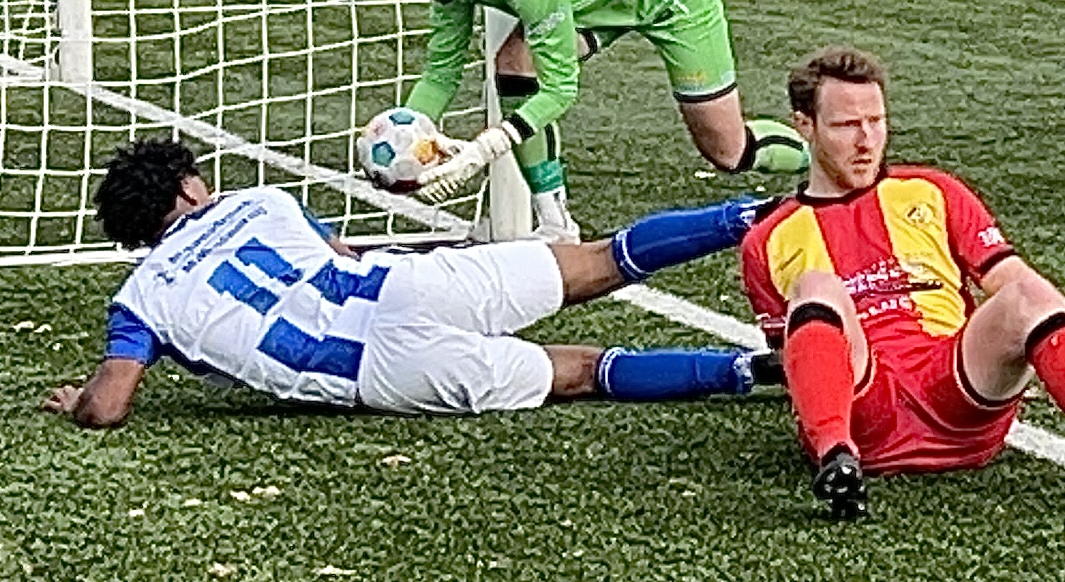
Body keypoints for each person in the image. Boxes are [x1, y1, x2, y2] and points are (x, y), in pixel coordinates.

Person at [739, 46, 1065, 519]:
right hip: (866, 411)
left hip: (955, 395)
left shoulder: (933, 191)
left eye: (876, 121)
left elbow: (1013, 279)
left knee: (1023, 293)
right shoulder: (767, 240)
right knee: (817, 286)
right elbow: (797, 363)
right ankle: (836, 461)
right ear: (804, 126)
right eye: (846, 126)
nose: (866, 141)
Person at [43, 139, 779, 428]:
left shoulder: (140, 298)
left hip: (378, 369)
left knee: (579, 372)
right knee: (596, 261)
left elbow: (110, 405)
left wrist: (81, 401)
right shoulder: (259, 201)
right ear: (189, 187)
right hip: (405, 286)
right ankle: (759, 212)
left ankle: (753, 371)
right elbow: (337, 250)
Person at [392, 0, 808, 242]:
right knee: (517, 64)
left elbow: (560, 90)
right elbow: (441, 71)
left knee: (729, 151)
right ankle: (556, 224)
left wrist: (485, 148)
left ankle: (821, 156)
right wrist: (405, 134)